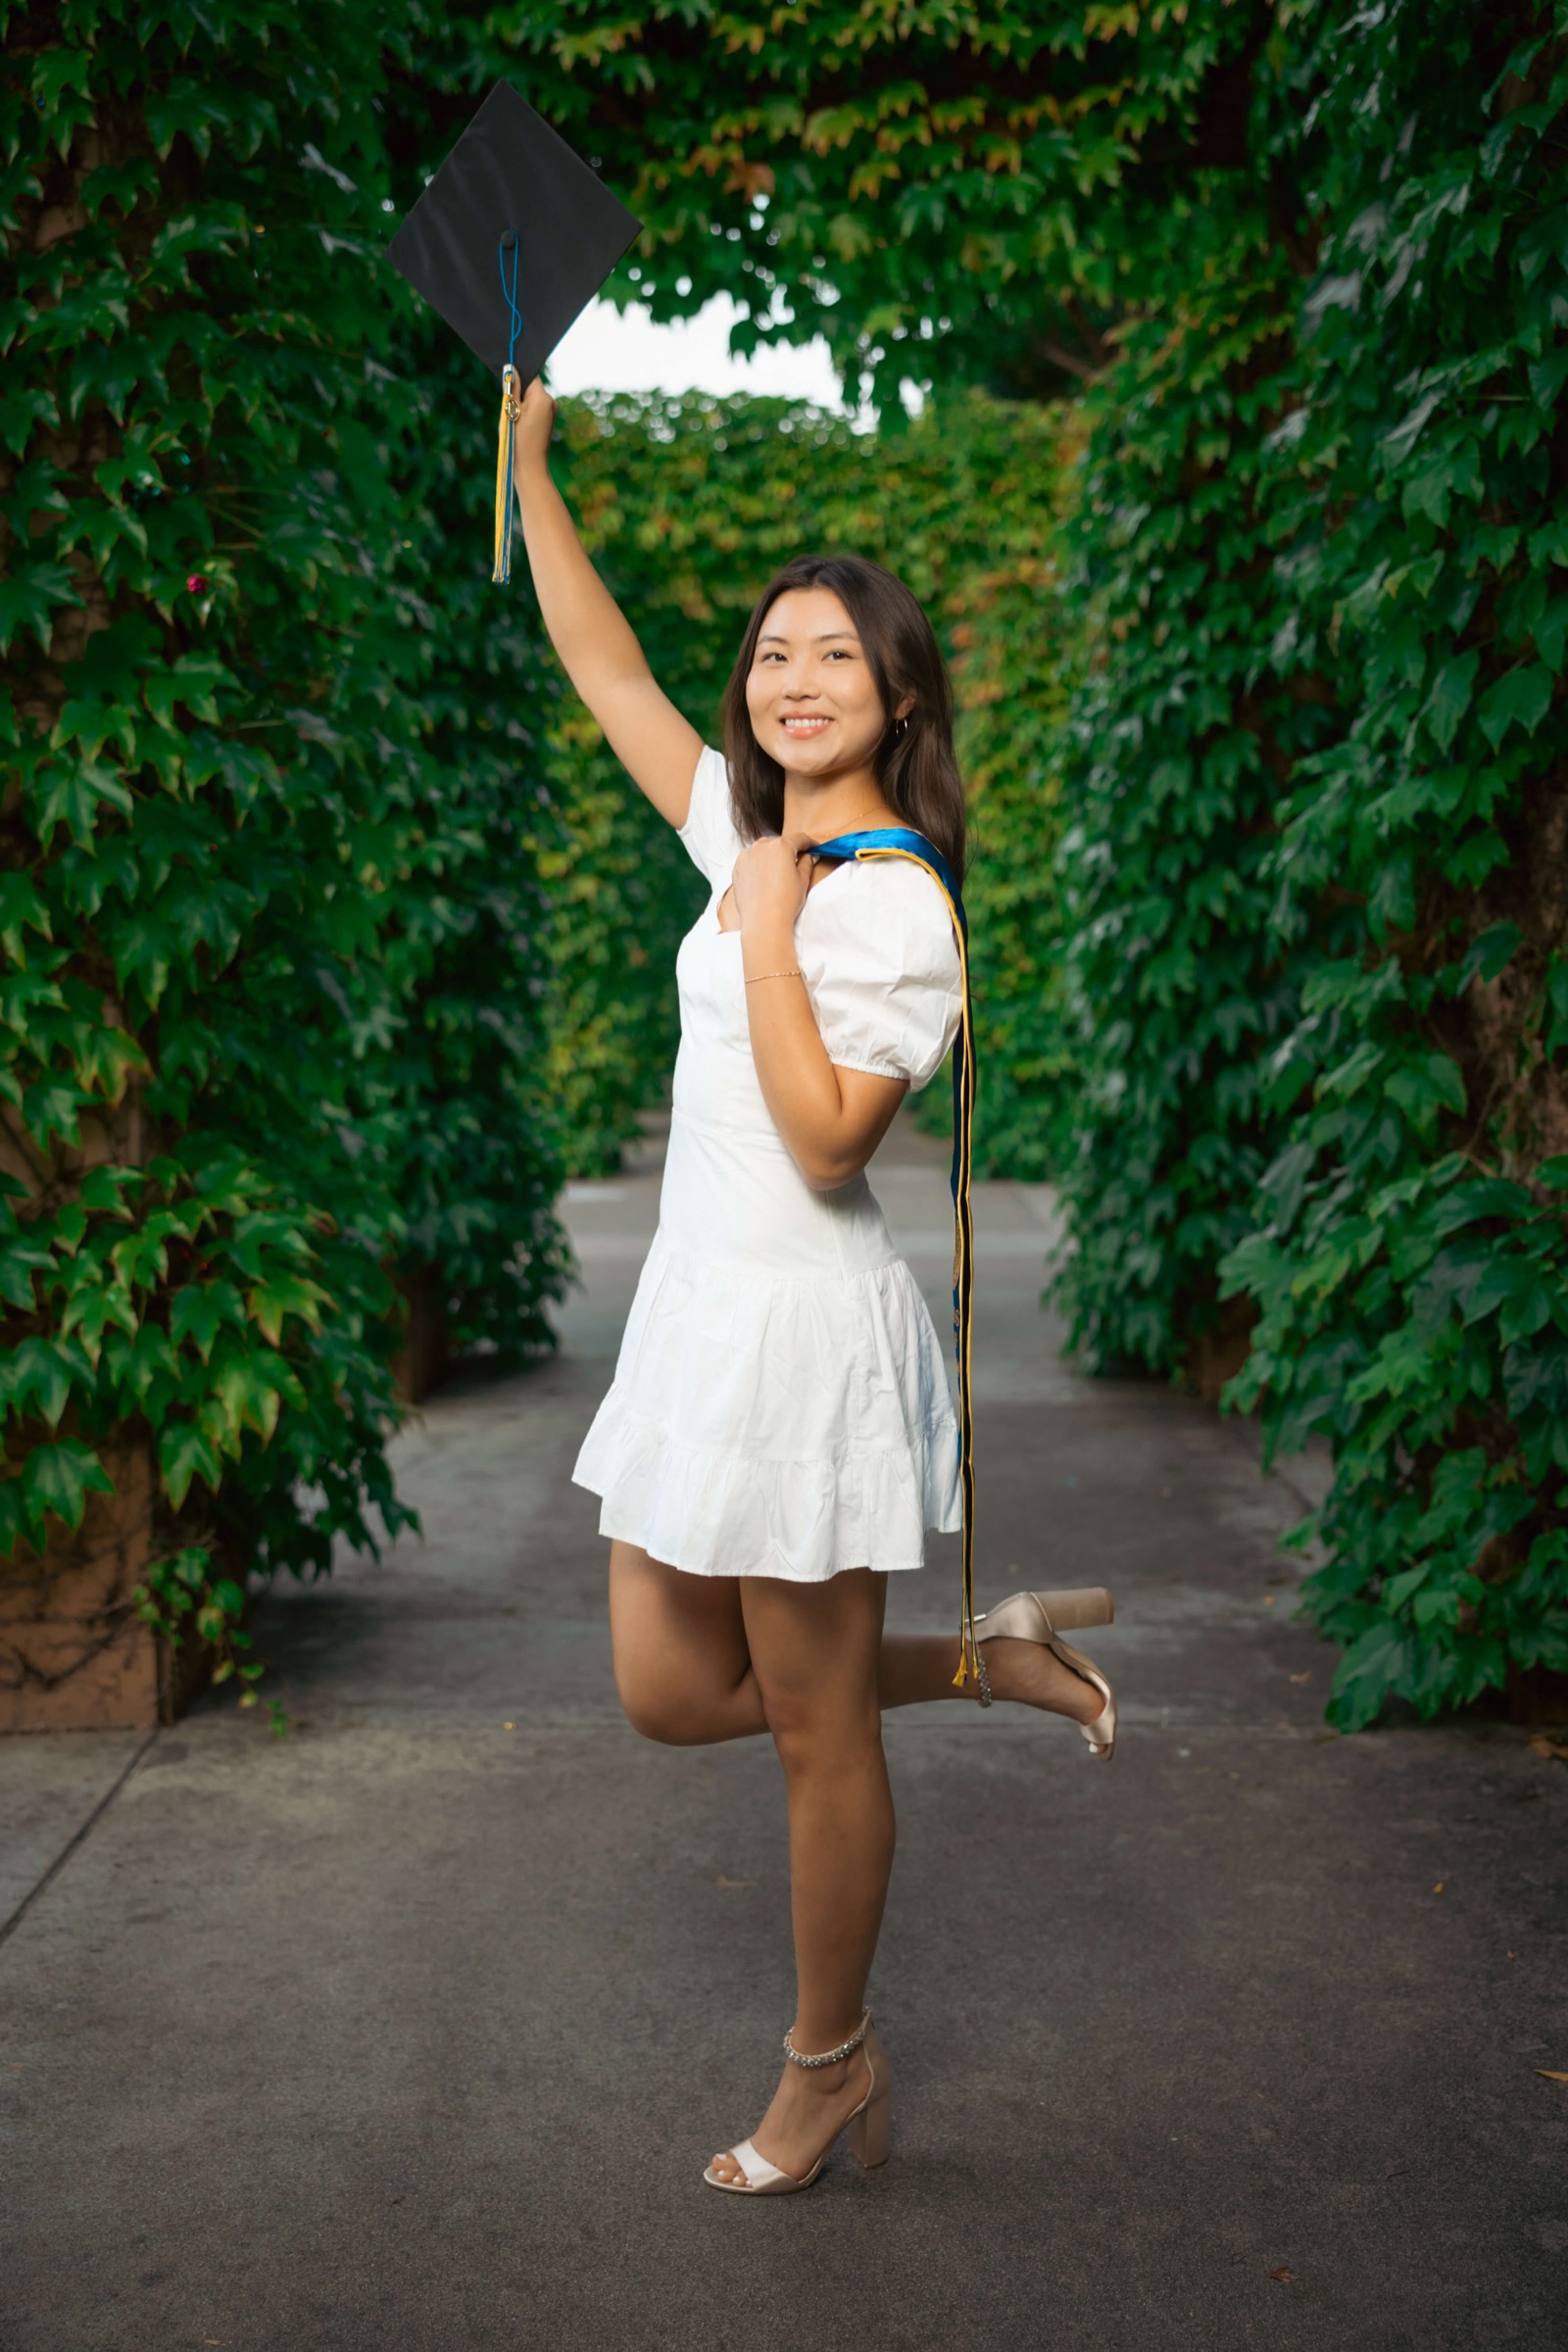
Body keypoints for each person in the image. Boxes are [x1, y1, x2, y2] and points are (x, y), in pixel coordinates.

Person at [510, 378, 1117, 2195]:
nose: (792, 681)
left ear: (900, 693)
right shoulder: (751, 837)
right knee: (666, 1688)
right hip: (703, 1315)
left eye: (832, 658)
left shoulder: (887, 904)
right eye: (774, 653)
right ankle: (988, 1657)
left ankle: (826, 2064)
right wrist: (533, 478)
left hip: (807, 1334)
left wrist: (770, 938)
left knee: (808, 1736)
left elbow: (832, 1140)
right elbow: (613, 674)